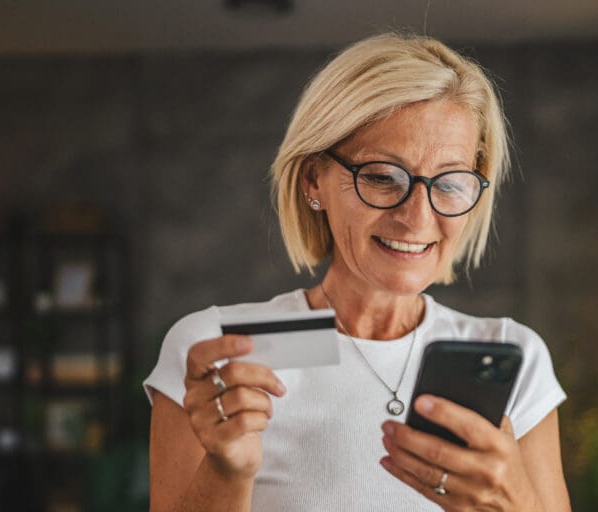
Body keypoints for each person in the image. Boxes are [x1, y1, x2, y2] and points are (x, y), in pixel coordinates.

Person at [144, 32, 569, 512]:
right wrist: (227, 471)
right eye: (383, 177)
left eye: (449, 184)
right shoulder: (218, 348)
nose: (417, 218)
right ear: (313, 181)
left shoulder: (513, 356)